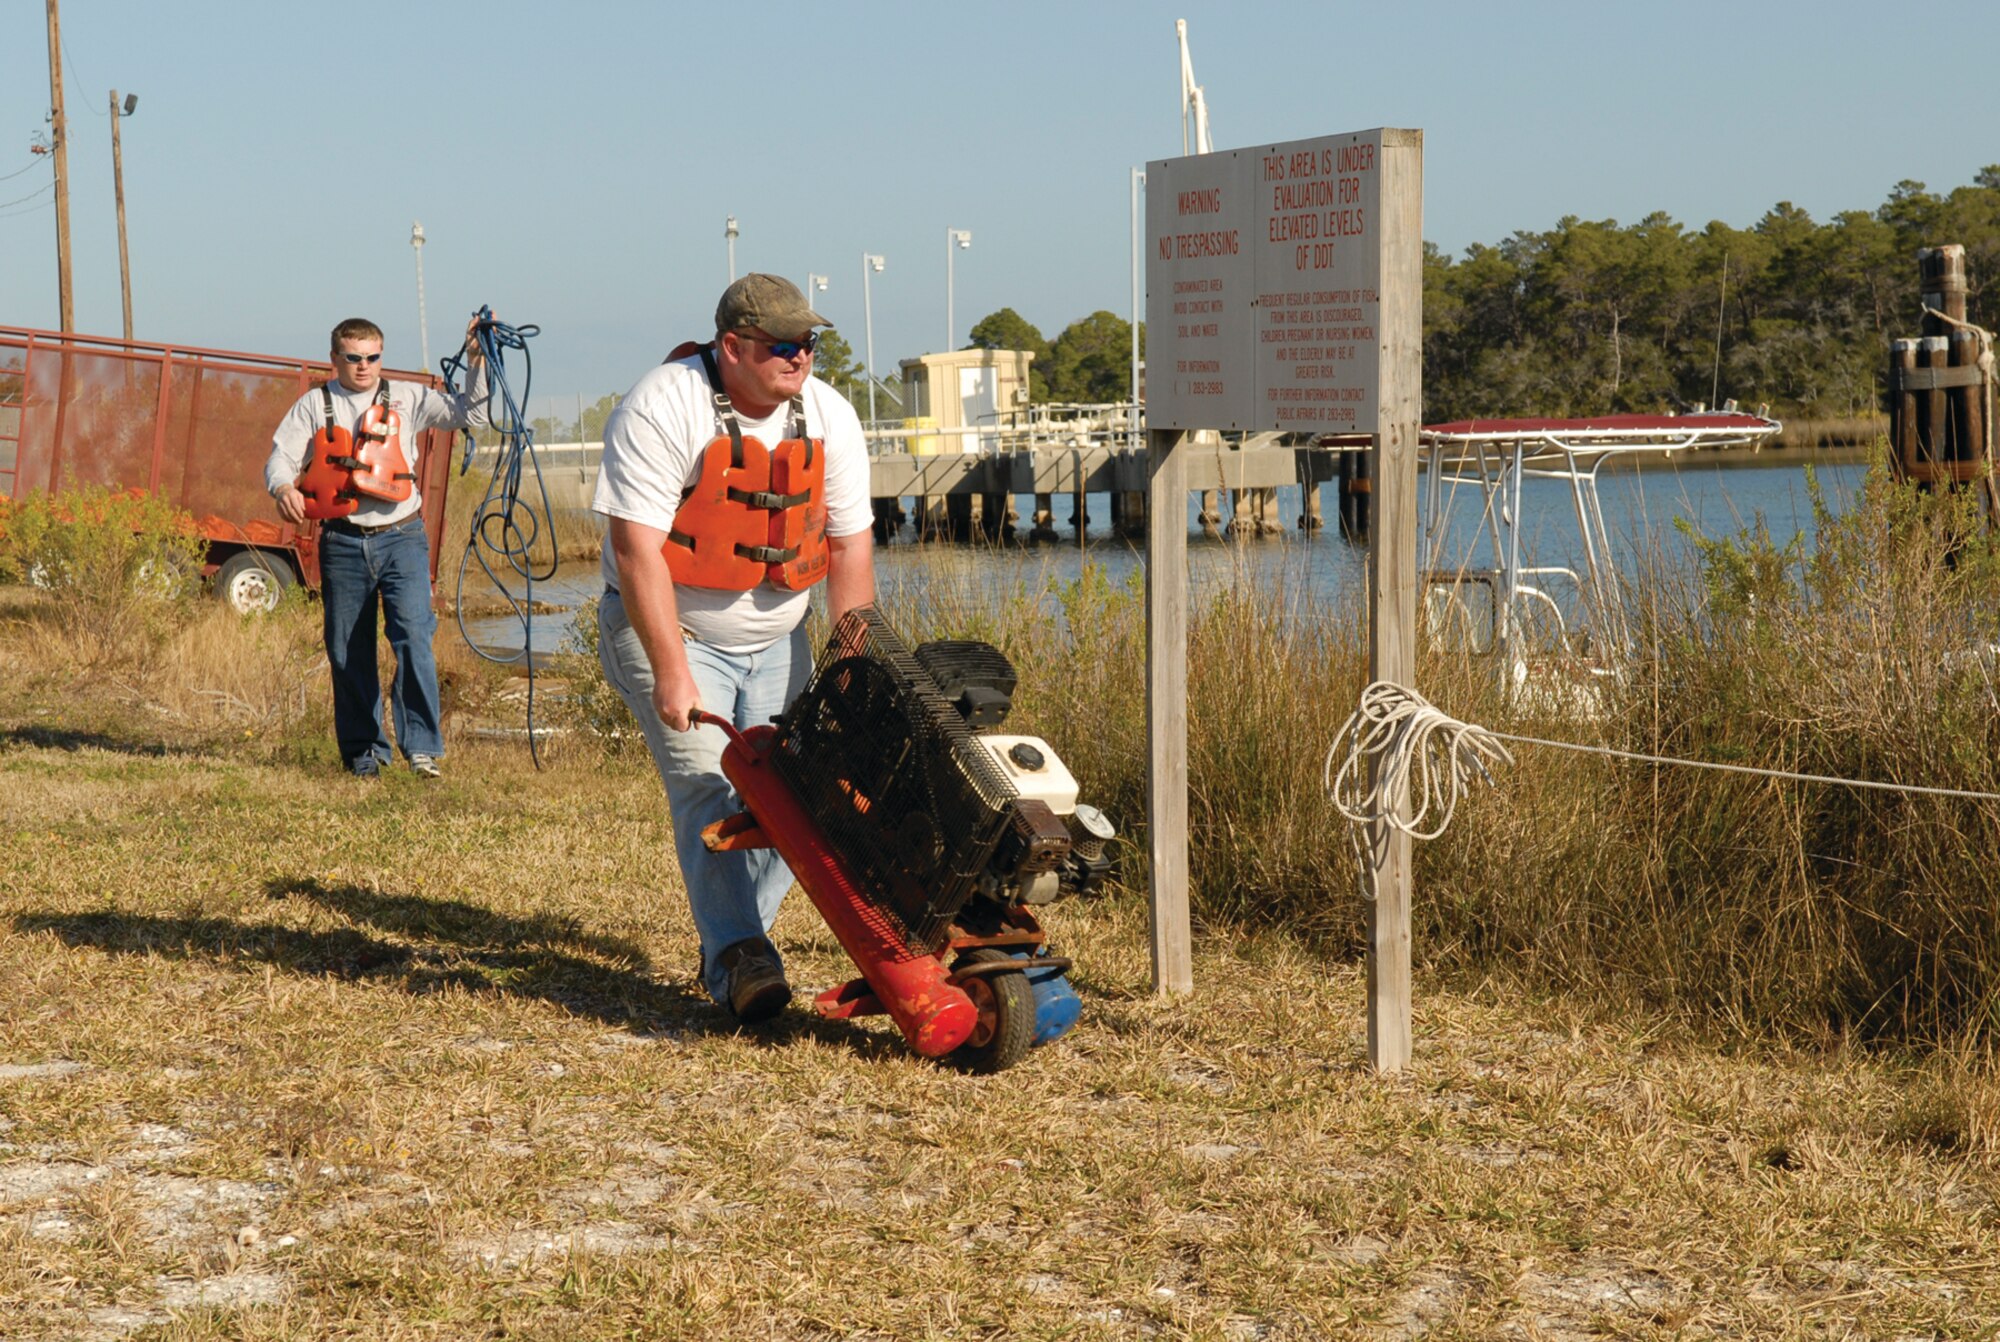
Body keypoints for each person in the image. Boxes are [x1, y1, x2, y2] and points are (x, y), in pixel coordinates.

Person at [593, 274, 875, 1023]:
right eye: (782, 346)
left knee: (798, 802)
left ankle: (732, 936)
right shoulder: (663, 404)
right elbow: (636, 552)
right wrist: (673, 672)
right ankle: (741, 961)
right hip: (670, 631)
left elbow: (850, 549)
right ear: (732, 347)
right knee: (709, 790)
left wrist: (854, 665)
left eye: (809, 344)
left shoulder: (830, 416)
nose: (800, 360)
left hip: (783, 637)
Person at [265, 317, 488, 778]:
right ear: (335, 359)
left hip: (402, 537)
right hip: (343, 541)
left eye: (372, 357)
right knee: (348, 650)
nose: (364, 366)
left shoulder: (408, 397)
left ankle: (422, 747)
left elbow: (472, 413)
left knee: (413, 638)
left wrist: (477, 361)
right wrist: (283, 487)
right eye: (353, 357)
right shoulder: (314, 404)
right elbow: (280, 457)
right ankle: (364, 752)